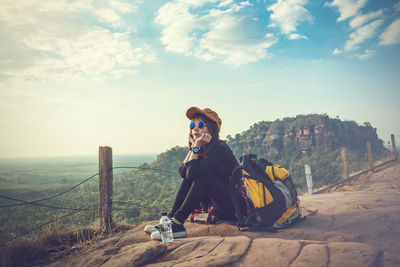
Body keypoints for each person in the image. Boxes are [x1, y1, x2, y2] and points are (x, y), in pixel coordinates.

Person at [145, 107, 247, 240]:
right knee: (194, 175)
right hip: (218, 204)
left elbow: (193, 173)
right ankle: (170, 220)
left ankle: (178, 224)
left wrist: (196, 146)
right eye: (192, 125)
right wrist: (194, 147)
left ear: (212, 128)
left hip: (235, 207)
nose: (195, 129)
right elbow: (184, 173)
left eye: (200, 125)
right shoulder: (203, 147)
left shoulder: (220, 149)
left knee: (203, 176)